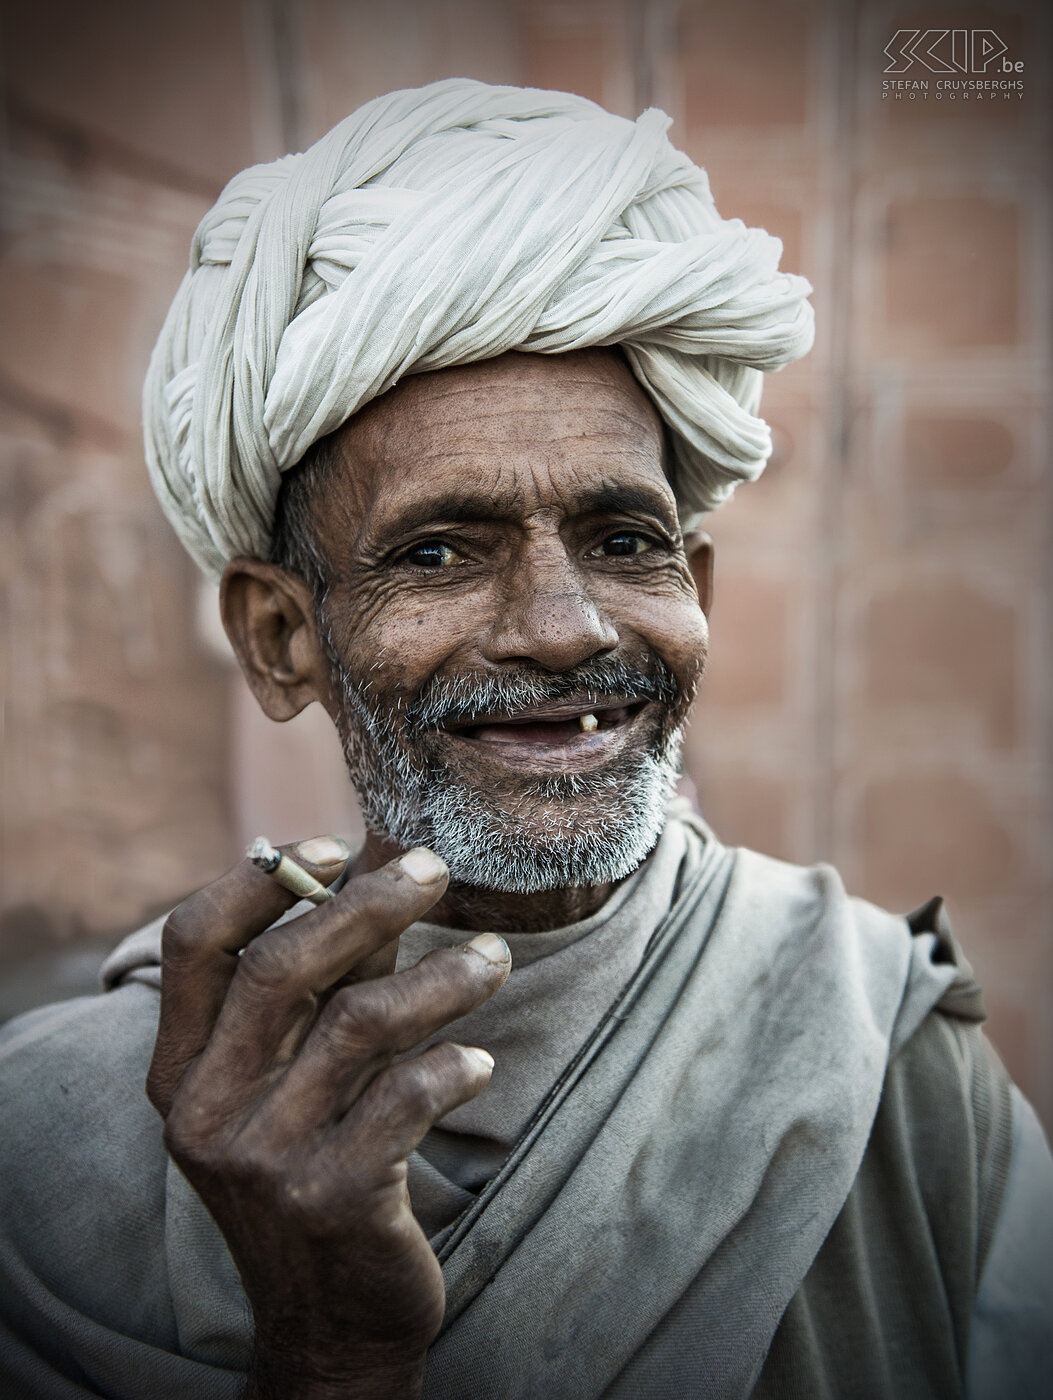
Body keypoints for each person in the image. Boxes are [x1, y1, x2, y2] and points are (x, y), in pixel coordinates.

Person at [0, 78, 1049, 1400]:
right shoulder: (44, 1147)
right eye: (439, 551)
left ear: (696, 598)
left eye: (623, 542)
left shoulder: (891, 1052)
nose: (562, 630)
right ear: (280, 640)